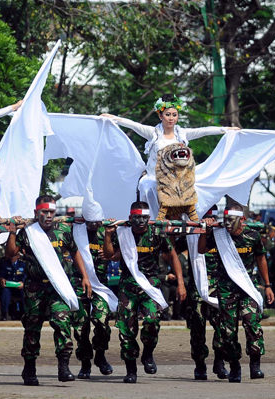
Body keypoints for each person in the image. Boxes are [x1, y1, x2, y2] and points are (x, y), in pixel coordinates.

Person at [100, 94, 240, 217]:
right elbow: (133, 125)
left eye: (174, 114)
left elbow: (204, 131)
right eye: (167, 114)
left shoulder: (182, 134)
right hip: (154, 177)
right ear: (160, 116)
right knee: (147, 186)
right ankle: (154, 222)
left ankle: (187, 223)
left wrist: (225, 129)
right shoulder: (153, 133)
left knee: (196, 187)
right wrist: (113, 118)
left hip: (176, 178)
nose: (171, 118)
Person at [5, 195, 92, 386]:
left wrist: (85, 276)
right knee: (32, 328)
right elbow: (10, 254)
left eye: (52, 211)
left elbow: (75, 251)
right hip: (35, 287)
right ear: (37, 212)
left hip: (58, 286)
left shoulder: (63, 230)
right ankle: (29, 368)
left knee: (62, 322)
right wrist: (12, 233)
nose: (49, 215)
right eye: (45, 211)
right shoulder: (28, 232)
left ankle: (64, 367)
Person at [103, 201, 186, 384]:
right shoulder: (123, 232)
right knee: (126, 329)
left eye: (144, 217)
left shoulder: (156, 232)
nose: (140, 221)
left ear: (149, 218)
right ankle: (130, 369)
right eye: (136, 217)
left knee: (152, 320)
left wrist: (181, 283)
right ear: (130, 217)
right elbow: (109, 255)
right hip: (128, 286)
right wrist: (108, 235)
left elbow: (172, 256)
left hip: (150, 285)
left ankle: (147, 354)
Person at [199, 204, 274, 383]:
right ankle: (234, 365)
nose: (227, 224)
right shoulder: (219, 236)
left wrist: (268, 285)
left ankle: (255, 365)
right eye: (225, 220)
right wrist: (205, 231)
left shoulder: (252, 236)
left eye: (231, 220)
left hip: (247, 288)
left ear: (241, 220)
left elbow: (261, 258)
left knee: (252, 324)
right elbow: (201, 250)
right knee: (227, 331)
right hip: (226, 289)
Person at [71, 210, 116, 380]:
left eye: (97, 220)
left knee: (102, 321)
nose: (94, 223)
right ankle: (85, 362)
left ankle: (100, 354)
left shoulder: (107, 232)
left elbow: (119, 253)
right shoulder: (75, 231)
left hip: (100, 285)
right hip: (78, 283)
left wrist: (108, 237)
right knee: (80, 326)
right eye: (91, 220)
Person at [186, 205, 229, 381]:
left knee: (223, 327)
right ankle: (200, 364)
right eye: (207, 218)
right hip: (197, 285)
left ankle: (219, 361)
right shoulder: (191, 232)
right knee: (197, 327)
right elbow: (172, 247)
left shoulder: (224, 234)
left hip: (218, 285)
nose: (210, 222)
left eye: (213, 218)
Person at [0, 253, 26, 320]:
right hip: (8, 286)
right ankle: (4, 314)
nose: (12, 257)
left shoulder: (23, 264)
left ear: (18, 256)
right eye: (11, 255)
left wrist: (23, 282)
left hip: (19, 287)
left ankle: (24, 313)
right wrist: (2, 280)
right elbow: (0, 276)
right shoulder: (4, 264)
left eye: (15, 255)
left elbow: (25, 276)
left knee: (24, 292)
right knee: (5, 292)